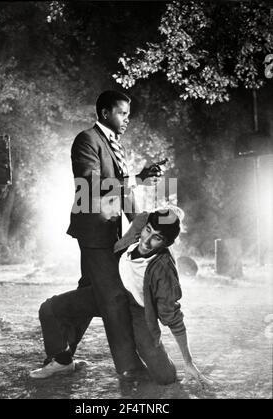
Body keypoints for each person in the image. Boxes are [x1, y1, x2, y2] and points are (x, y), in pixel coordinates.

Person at [32, 90, 163, 378]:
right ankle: (129, 368)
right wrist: (138, 178)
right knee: (114, 296)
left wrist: (140, 225)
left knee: (90, 294)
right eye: (121, 113)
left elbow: (125, 192)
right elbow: (91, 185)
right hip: (93, 232)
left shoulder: (117, 146)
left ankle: (60, 355)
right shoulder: (86, 140)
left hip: (110, 235)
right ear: (105, 113)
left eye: (128, 114)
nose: (126, 119)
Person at [30, 209, 211, 388]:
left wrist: (188, 361)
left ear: (166, 243)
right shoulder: (138, 228)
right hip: (110, 293)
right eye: (148, 230)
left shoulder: (163, 269)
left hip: (138, 311)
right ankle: (62, 361)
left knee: (164, 377)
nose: (146, 242)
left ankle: (166, 374)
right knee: (49, 309)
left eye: (157, 238)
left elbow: (173, 317)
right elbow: (135, 211)